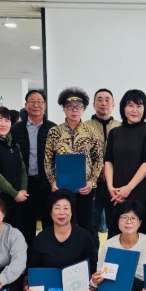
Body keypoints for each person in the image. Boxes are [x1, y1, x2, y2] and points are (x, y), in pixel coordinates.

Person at [23, 189, 104, 291]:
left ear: (72, 212)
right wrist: (26, 286)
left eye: (66, 208)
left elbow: (92, 266)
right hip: (52, 290)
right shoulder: (41, 238)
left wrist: (92, 282)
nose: (61, 212)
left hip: (77, 288)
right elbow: (32, 269)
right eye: (57, 208)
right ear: (50, 212)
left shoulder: (84, 236)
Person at [45, 88, 103, 235]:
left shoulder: (91, 131)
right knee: (64, 224)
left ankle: (86, 250)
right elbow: (48, 160)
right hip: (61, 187)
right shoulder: (54, 132)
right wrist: (52, 181)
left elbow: (98, 159)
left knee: (86, 226)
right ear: (63, 108)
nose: (74, 110)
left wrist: (91, 181)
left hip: (86, 187)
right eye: (69, 106)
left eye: (78, 106)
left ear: (84, 108)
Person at [103, 89, 146, 237]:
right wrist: (110, 187)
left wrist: (128, 188)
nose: (134, 110)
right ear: (123, 108)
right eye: (130, 105)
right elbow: (108, 161)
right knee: (114, 234)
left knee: (138, 237)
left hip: (138, 193)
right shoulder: (114, 132)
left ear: (144, 109)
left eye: (139, 106)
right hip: (114, 194)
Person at [10, 90, 57, 247]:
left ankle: (48, 256)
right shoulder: (15, 129)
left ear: (45, 105)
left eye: (39, 101)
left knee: (49, 224)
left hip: (47, 185)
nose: (36, 105)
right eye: (32, 101)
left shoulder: (53, 129)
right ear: (26, 105)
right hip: (25, 185)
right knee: (26, 225)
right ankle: (27, 259)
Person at [84, 89, 122, 249]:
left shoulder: (121, 127)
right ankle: (93, 260)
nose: (103, 103)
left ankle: (112, 260)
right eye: (99, 100)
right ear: (93, 104)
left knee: (115, 223)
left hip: (115, 185)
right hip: (92, 184)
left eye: (107, 100)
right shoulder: (84, 127)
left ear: (113, 104)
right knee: (91, 224)